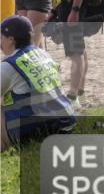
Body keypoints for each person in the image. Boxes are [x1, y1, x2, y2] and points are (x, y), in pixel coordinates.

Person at [1, 15, 75, 151]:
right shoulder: (43, 54)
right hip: (66, 121)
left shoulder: (9, 65)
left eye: (1, 38)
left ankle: (3, 147)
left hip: (38, 130)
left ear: (11, 39)